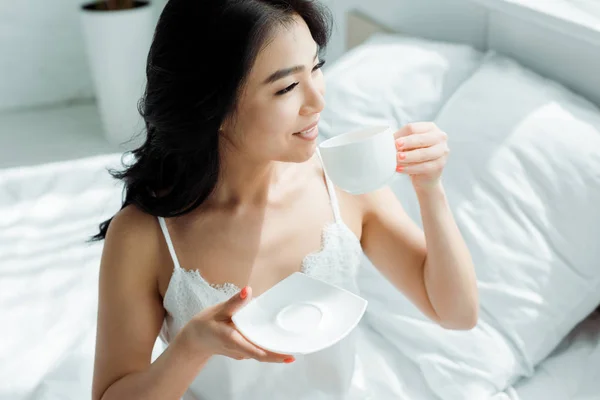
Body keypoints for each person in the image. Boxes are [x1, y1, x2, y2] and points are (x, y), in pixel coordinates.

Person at [90, 0, 478, 399]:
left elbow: (458, 314)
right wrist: (191, 348)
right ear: (212, 106)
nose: (317, 101)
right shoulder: (145, 235)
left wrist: (430, 190)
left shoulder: (341, 185)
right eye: (287, 87)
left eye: (317, 67)